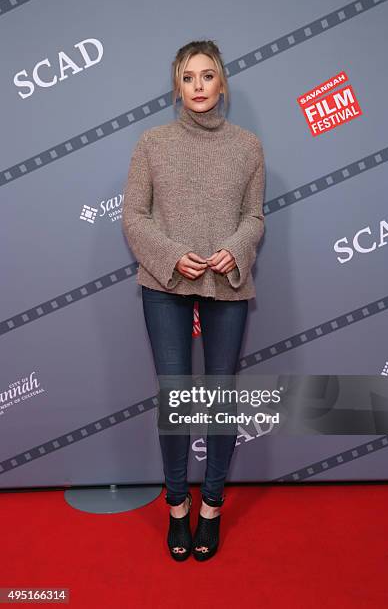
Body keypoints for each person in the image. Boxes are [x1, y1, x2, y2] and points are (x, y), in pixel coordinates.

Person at [122, 39, 265, 561]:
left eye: (208, 76)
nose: (199, 86)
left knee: (222, 398)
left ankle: (212, 509)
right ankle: (177, 509)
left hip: (226, 284)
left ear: (222, 84)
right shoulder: (152, 143)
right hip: (165, 286)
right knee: (177, 401)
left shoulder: (248, 145)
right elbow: (134, 216)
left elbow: (255, 217)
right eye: (188, 77)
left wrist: (234, 249)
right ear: (177, 87)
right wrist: (173, 254)